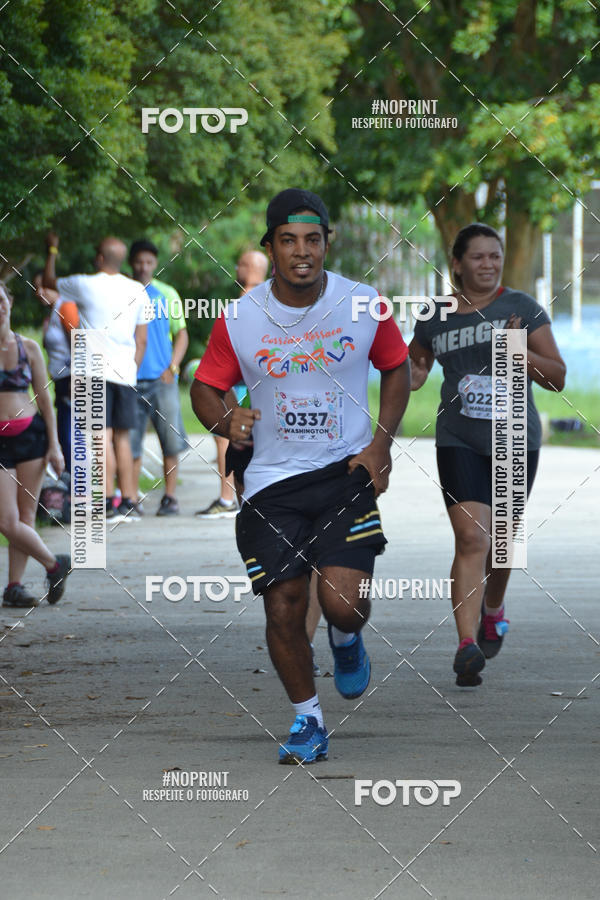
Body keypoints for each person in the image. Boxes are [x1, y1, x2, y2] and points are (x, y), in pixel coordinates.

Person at [191, 188, 410, 764]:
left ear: (326, 243)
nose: (301, 252)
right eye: (288, 241)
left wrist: (380, 445)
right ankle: (307, 720)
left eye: (312, 239)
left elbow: (397, 367)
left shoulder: (364, 305)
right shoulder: (239, 318)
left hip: (344, 472)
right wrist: (225, 418)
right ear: (271, 247)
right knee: (283, 602)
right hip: (269, 482)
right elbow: (203, 387)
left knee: (341, 603)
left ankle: (345, 636)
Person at [409, 223, 566, 686]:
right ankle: (465, 643)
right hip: (458, 437)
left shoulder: (521, 308)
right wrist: (411, 374)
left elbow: (556, 376)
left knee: (503, 543)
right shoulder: (436, 314)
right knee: (471, 539)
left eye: (494, 256)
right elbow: (413, 366)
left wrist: (522, 355)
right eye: (477, 257)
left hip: (514, 438)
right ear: (456, 263)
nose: (488, 264)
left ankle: (492, 609)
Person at [42, 233, 151, 522]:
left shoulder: (84, 284)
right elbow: (142, 340)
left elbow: (49, 282)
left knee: (101, 437)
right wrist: (132, 369)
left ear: (100, 259)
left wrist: (52, 250)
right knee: (124, 439)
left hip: (92, 372)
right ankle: (128, 500)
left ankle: (106, 501)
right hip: (125, 373)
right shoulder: (138, 290)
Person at [0, 282, 71, 608]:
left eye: (1, 301)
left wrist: (55, 446)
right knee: (6, 521)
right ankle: (54, 565)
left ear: (10, 303)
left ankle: (14, 586)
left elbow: (45, 398)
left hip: (32, 436)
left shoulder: (29, 347)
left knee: (25, 518)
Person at [195, 249, 269, 519]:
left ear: (248, 268)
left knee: (228, 438)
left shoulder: (243, 304)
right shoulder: (274, 299)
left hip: (240, 387)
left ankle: (227, 498)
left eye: (240, 264)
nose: (236, 269)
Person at [128, 240, 188, 516]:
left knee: (170, 441)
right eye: (139, 261)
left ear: (155, 263)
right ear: (131, 263)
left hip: (162, 379)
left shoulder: (167, 294)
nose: (143, 267)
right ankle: (131, 499)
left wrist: (173, 367)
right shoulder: (122, 292)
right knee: (131, 442)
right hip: (130, 380)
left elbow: (181, 335)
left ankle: (171, 497)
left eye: (149, 262)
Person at [34, 252, 80, 471]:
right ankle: (69, 479)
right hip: (60, 379)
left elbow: (79, 342)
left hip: (70, 379)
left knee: (70, 431)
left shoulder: (66, 308)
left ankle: (76, 483)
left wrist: (76, 376)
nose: (39, 293)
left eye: (43, 287)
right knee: (63, 431)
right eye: (36, 288)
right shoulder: (50, 313)